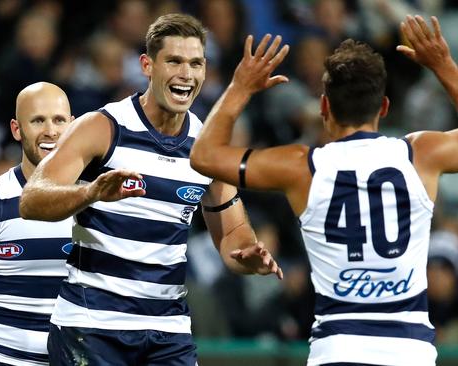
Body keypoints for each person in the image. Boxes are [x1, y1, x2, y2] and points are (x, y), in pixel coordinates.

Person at [190, 15, 458, 366]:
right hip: (409, 352)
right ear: (384, 108)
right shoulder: (419, 156)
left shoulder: (300, 167)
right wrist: (442, 64)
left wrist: (240, 88)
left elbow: (204, 155)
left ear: (324, 108)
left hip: (338, 350)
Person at [19, 13, 282, 366]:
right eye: (173, 61)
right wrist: (90, 193)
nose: (185, 74)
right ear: (147, 65)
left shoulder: (206, 148)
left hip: (167, 331)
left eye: (195, 64)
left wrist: (248, 255)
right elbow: (32, 200)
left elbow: (232, 232)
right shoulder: (102, 127)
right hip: (91, 326)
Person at [0, 82, 138, 366]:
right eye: (38, 120)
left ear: (73, 124)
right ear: (17, 129)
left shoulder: (101, 195)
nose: (50, 131)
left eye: (58, 120)